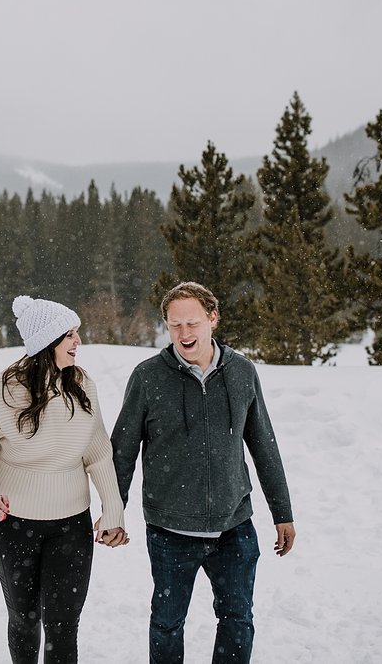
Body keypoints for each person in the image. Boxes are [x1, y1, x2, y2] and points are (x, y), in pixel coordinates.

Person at [111, 281, 295, 663]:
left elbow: (264, 445)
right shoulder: (148, 377)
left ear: (213, 318)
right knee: (166, 623)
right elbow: (122, 451)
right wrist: (114, 512)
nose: (184, 334)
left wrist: (283, 513)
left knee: (237, 620)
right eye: (174, 325)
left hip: (234, 529)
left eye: (192, 323)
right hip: (170, 531)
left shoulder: (242, 372)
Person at [0, 295, 129, 664]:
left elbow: (98, 452)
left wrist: (113, 509)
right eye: (69, 334)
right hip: (12, 526)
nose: (78, 342)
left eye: (77, 333)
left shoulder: (83, 385)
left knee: (64, 624)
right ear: (45, 343)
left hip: (71, 526)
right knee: (24, 619)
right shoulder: (0, 391)